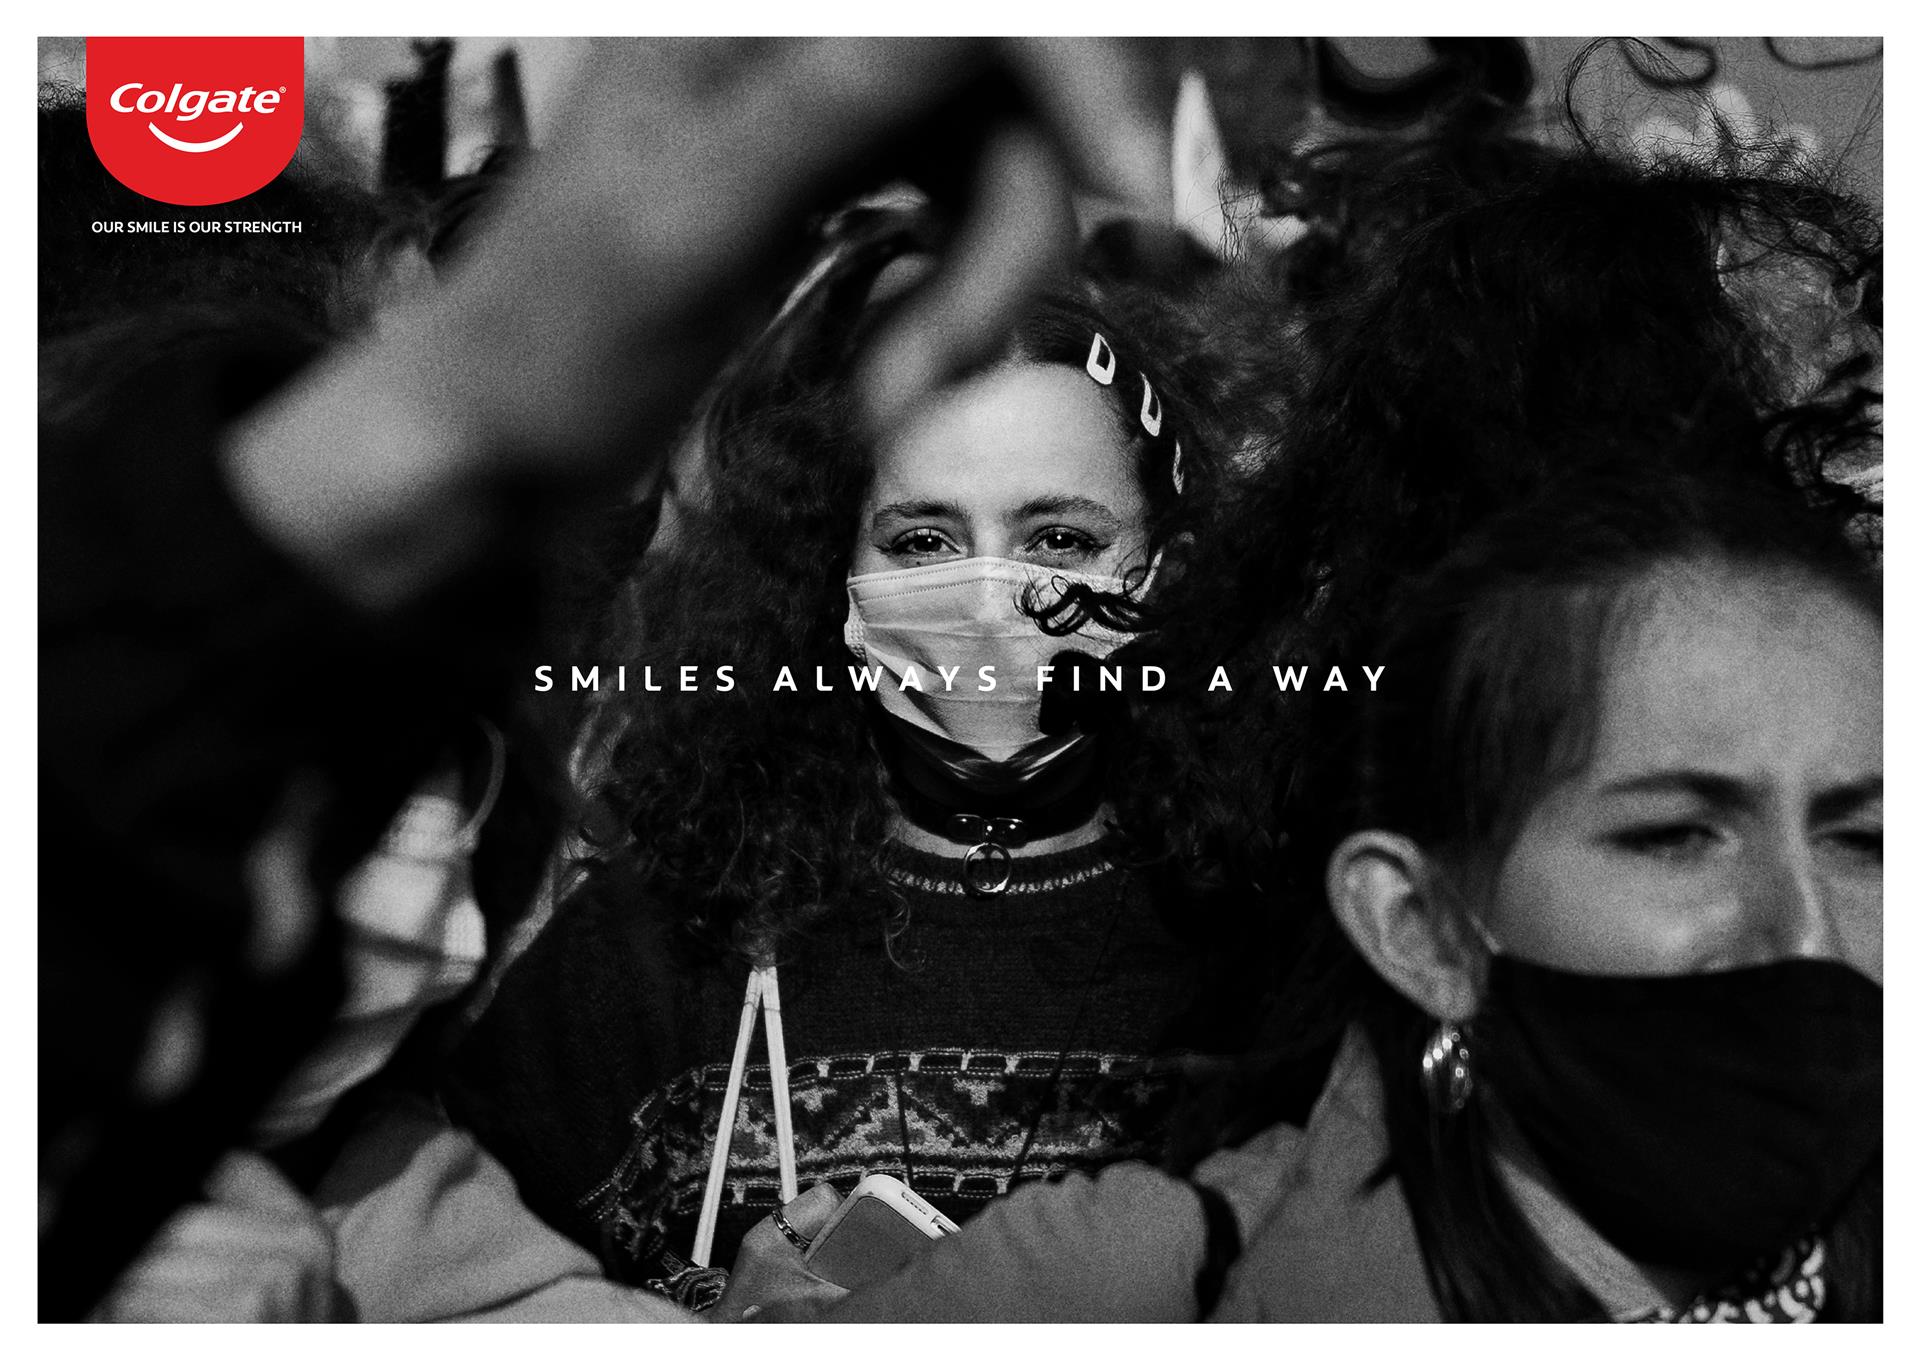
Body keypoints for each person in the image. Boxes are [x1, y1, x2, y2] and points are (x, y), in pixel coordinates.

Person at [40, 37, 1175, 1319]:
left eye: (1061, 537)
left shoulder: (380, 1197)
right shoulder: (631, 960)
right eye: (922, 538)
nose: (437, 916)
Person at [718, 451, 1882, 1322]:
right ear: (1421, 926)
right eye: (1677, 835)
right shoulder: (1132, 1281)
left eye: (1866, 838)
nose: (1810, 929)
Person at [428, 205, 1303, 1309]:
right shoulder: (657, 946)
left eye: (1060, 539)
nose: (990, 597)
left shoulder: (1273, 950)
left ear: (1167, 572)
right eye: (924, 540)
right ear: (835, 572)